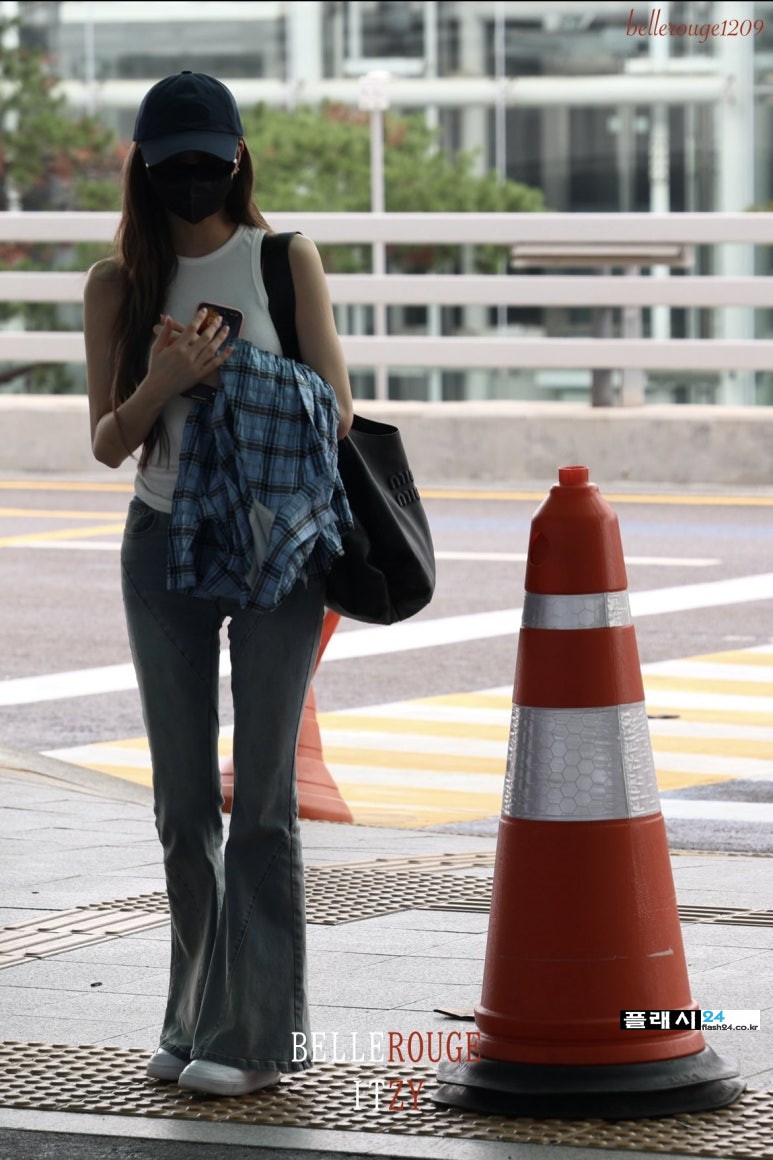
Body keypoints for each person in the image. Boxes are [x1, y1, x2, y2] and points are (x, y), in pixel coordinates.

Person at [83, 71, 353, 1097]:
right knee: (183, 801)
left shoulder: (285, 261)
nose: (192, 182)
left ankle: (252, 1038)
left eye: (208, 162)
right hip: (162, 550)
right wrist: (163, 381)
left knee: (267, 806)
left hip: (280, 552)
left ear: (237, 159)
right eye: (172, 168)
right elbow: (110, 442)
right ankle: (191, 1012)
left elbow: (333, 409)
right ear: (145, 173)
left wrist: (227, 369)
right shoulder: (118, 283)